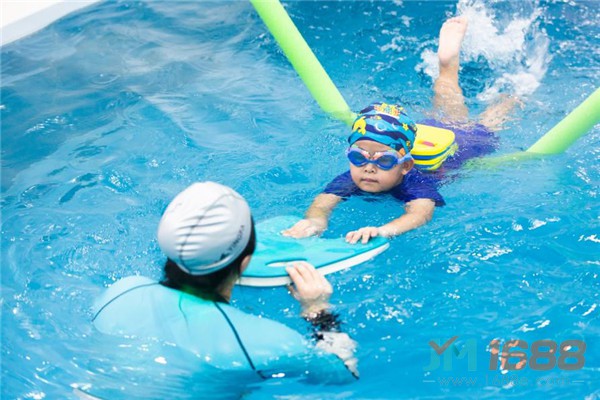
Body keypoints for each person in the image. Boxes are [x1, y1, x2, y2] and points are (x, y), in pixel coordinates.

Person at [92, 182, 358, 391]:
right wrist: (318, 310)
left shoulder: (121, 290)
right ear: (245, 263)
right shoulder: (266, 342)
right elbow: (344, 375)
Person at [283, 16, 519, 245]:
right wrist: (315, 221)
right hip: (429, 133)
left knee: (488, 122)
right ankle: (447, 65)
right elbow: (323, 203)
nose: (369, 168)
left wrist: (384, 230)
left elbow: (420, 214)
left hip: (464, 142)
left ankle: (515, 94)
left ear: (405, 166)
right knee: (447, 107)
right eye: (358, 157)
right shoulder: (357, 175)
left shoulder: (415, 182)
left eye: (384, 161)